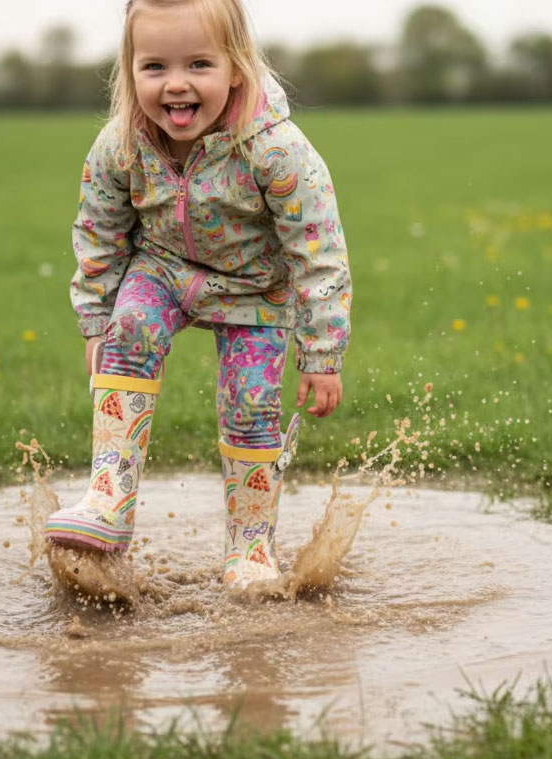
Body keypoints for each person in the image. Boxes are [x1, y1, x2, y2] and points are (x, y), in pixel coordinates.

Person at [46, 0, 352, 590]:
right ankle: (108, 500)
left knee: (252, 402)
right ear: (129, 69)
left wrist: (322, 356)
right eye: (154, 66)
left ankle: (250, 547)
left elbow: (319, 252)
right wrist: (96, 323)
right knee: (130, 329)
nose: (176, 84)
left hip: (255, 291)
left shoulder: (276, 149)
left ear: (236, 68)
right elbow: (98, 232)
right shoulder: (121, 145)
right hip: (160, 270)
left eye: (199, 65)